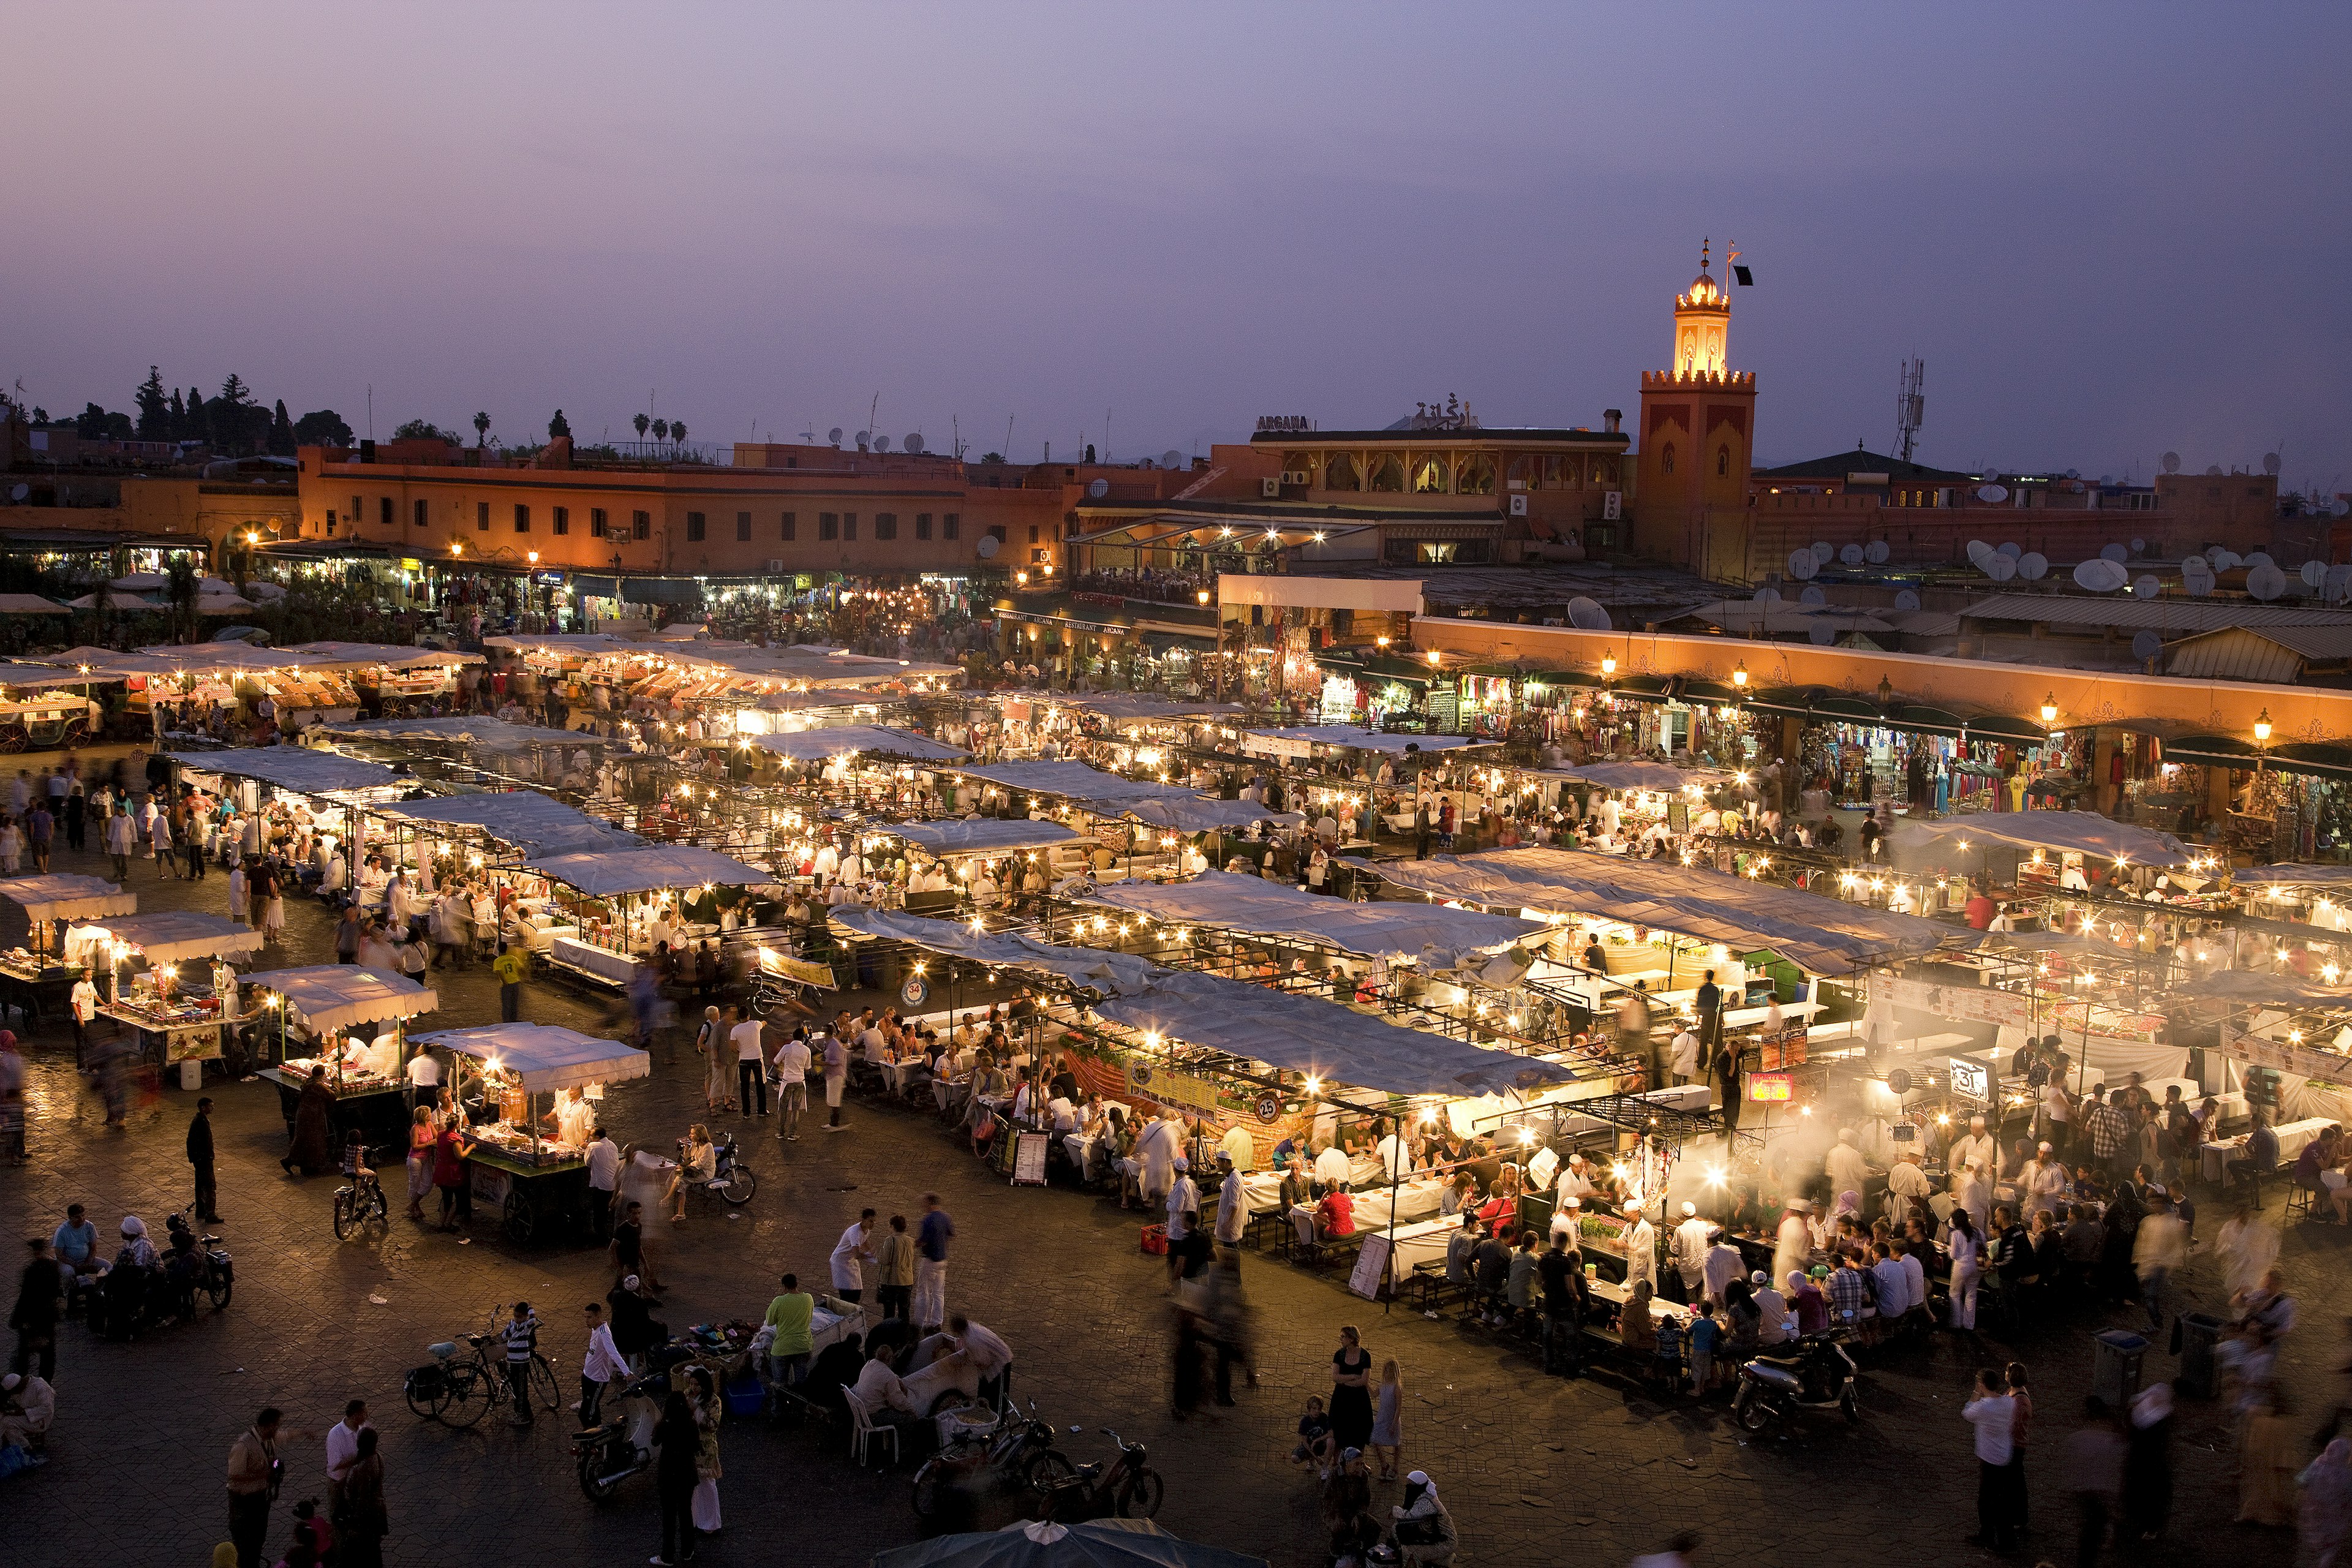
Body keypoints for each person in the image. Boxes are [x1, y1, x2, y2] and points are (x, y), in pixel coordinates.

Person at [1965, 1368, 2018, 1551]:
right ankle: (2003, 1538)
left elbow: (1967, 1413)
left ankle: (1992, 1537)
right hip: (2005, 1455)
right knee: (2002, 1501)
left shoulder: (1983, 1407)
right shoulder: (2009, 1403)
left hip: (1989, 1459)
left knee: (1987, 1501)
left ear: (1982, 1385)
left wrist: (1975, 1393)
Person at [226, 1407, 282, 1568]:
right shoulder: (244, 1445)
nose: (278, 1429)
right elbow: (233, 1475)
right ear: (269, 1426)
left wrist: (304, 1433)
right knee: (244, 1544)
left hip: (260, 1498)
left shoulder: (268, 1440)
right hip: (243, 1502)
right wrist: (264, 1474)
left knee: (258, 1539)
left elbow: (286, 1436)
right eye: (277, 1426)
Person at [652, 1389, 701, 1565]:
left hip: (668, 1475)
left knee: (669, 1517)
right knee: (686, 1513)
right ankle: (688, 1551)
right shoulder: (691, 1423)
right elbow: (696, 1446)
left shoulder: (664, 1424)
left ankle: (667, 1556)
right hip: (687, 1473)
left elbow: (655, 1442)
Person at [2122, 1381, 2174, 1544]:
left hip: (2141, 1462)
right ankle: (2148, 1526)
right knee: (2151, 1497)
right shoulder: (2163, 1418)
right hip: (2151, 1464)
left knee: (2141, 1494)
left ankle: (2141, 1525)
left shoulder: (2140, 1413)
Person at [11, 1236, 62, 1380]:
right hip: (47, 1317)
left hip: (32, 1317)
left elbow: (26, 1296)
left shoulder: (31, 1271)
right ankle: (45, 1383)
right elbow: (56, 1291)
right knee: (48, 1354)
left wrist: (21, 1319)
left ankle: (20, 1382)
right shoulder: (53, 1267)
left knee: (24, 1354)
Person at [2301, 1438, 2352, 1568]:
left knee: (2313, 1541)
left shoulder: (2317, 1465)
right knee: (2330, 1545)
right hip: (2335, 1517)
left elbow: (2301, 1481)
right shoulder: (2346, 1474)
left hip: (2313, 1512)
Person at [580, 1299, 626, 1426]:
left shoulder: (604, 1333)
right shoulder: (595, 1329)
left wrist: (627, 1372)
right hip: (587, 1375)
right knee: (590, 1408)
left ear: (598, 1316)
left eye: (589, 1317)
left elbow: (613, 1353)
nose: (587, 1321)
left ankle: (592, 1436)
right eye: (586, 1317)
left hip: (597, 1379)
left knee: (588, 1413)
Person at [282, 1066, 334, 1177]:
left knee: (301, 1140)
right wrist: (336, 1084)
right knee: (313, 1141)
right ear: (322, 1075)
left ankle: (290, 1161)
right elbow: (332, 1095)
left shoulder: (308, 1083)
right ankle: (309, 1167)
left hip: (302, 1114)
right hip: (313, 1116)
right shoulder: (318, 1086)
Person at [1329, 1325, 1374, 1453]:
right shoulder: (1339, 1354)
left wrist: (1345, 1382)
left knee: (1359, 1430)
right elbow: (1335, 1377)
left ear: (1352, 1338)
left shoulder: (1365, 1356)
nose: (1340, 1339)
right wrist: (1353, 1376)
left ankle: (1359, 1460)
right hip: (1341, 1398)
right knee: (1339, 1429)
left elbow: (1364, 1380)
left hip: (1359, 1399)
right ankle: (1337, 1461)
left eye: (1343, 1337)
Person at [324, 1398, 370, 1520]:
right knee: (339, 1519)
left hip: (357, 1481)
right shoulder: (335, 1435)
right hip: (340, 1483)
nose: (367, 1416)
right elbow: (334, 1465)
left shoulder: (364, 1428)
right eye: (365, 1413)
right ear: (355, 1415)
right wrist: (359, 1458)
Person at [914, 1193, 952, 1333]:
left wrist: (913, 1244)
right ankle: (937, 1322)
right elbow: (950, 1234)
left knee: (923, 1291)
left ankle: (921, 1322)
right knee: (938, 1293)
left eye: (924, 1203)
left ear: (930, 1204)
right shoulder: (946, 1217)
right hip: (942, 1259)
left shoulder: (928, 1220)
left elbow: (923, 1240)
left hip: (929, 1259)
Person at [500, 1300, 539, 1426]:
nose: (517, 1319)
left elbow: (533, 1320)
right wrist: (511, 1331)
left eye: (520, 1317)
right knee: (516, 1387)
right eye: (515, 1316)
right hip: (512, 1360)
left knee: (522, 1389)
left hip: (522, 1361)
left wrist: (530, 1307)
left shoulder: (527, 1325)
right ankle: (526, 1413)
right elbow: (504, 1335)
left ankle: (522, 1415)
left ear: (525, 1316)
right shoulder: (512, 1324)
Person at [1367, 1359, 1403, 1481]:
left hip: (1392, 1419)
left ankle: (1395, 1467)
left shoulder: (1397, 1388)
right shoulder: (1382, 1386)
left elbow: (1398, 1407)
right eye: (1386, 1370)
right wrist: (1366, 1383)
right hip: (1381, 1418)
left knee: (1396, 1444)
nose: (1387, 1373)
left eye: (1390, 1371)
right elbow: (1374, 1394)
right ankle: (1384, 1464)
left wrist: (1394, 1423)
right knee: (1374, 1440)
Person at [773, 1026, 811, 1141]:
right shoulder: (806, 1050)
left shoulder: (787, 1048)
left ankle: (780, 1132)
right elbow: (808, 1068)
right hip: (800, 1082)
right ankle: (793, 1134)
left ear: (793, 1037)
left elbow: (776, 1061)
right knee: (795, 1109)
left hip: (787, 1081)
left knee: (783, 1107)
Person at [875, 1213, 914, 1322]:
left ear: (893, 1226)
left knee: (889, 1311)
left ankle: (889, 1334)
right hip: (907, 1280)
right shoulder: (911, 1240)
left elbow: (884, 1260)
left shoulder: (890, 1240)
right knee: (904, 1311)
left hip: (892, 1281)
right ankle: (903, 1333)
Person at [187, 1096, 221, 1224]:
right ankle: (210, 1213)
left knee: (200, 1186)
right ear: (203, 1108)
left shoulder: (199, 1121)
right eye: (210, 1106)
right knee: (209, 1186)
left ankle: (200, 1211)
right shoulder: (200, 1122)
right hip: (204, 1160)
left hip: (200, 1160)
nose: (212, 1108)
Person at [831, 1209, 876, 1303]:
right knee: (847, 1294)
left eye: (874, 1221)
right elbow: (857, 1255)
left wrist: (871, 1251)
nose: (873, 1224)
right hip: (841, 1263)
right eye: (870, 1221)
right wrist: (870, 1257)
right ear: (863, 1219)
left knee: (856, 1289)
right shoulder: (854, 1232)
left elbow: (865, 1240)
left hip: (851, 1262)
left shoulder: (866, 1230)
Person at [729, 1005, 766, 1118]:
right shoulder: (755, 1025)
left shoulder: (735, 1030)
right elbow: (763, 1023)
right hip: (757, 1059)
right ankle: (762, 1110)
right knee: (760, 1086)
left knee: (744, 1087)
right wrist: (764, 1022)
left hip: (744, 1060)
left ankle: (746, 1112)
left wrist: (741, 1051)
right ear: (748, 1015)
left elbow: (733, 1047)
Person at [492, 939, 527, 1024]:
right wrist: (521, 978)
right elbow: (521, 969)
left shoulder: (497, 961)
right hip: (516, 982)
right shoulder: (513, 958)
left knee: (506, 1004)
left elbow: (499, 973)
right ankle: (514, 1020)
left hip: (507, 984)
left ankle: (507, 1022)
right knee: (514, 1003)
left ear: (499, 949)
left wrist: (504, 983)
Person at [821, 1027, 849, 1131]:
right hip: (831, 1074)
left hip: (836, 1075)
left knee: (835, 1101)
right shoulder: (829, 1043)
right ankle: (834, 1122)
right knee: (833, 1100)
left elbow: (837, 1061)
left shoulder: (834, 1044)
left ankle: (835, 1124)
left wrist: (824, 1063)